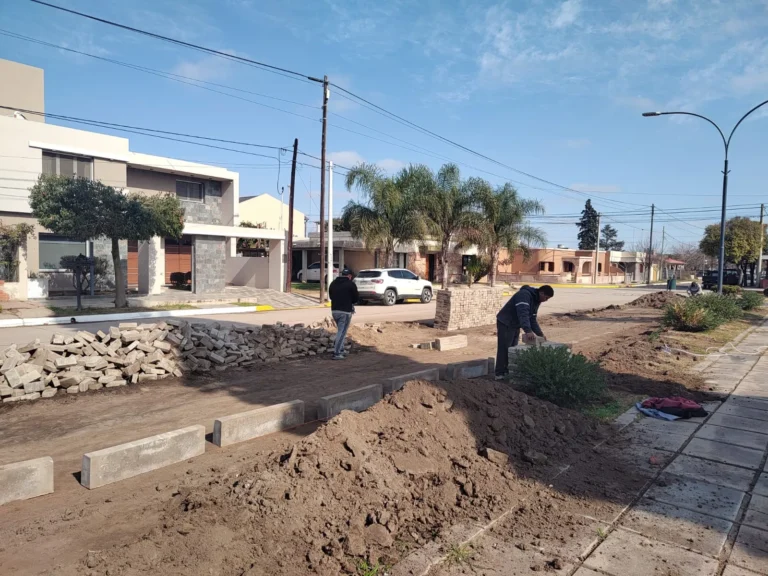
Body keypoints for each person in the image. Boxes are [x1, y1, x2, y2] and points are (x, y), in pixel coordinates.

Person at [495, 284, 554, 380]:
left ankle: (508, 371)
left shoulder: (536, 300)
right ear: (541, 293)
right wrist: (528, 331)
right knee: (505, 348)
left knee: (513, 348)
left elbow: (532, 318)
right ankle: (499, 374)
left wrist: (540, 334)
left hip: (515, 324)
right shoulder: (524, 295)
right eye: (546, 297)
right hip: (506, 322)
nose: (546, 300)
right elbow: (523, 313)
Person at [328, 267, 358, 360]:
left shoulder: (333, 283)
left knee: (340, 330)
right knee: (342, 332)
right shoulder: (351, 284)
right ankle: (337, 353)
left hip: (334, 311)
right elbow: (355, 298)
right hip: (345, 312)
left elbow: (331, 296)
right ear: (349, 276)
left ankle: (340, 350)